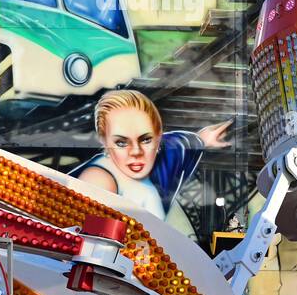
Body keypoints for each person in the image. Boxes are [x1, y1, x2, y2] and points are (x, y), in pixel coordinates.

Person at [73, 90, 232, 220]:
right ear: (104, 141)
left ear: (158, 137)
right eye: (121, 142)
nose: (136, 152)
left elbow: (183, 143)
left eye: (145, 140)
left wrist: (204, 139)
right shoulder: (98, 181)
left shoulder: (169, 154)